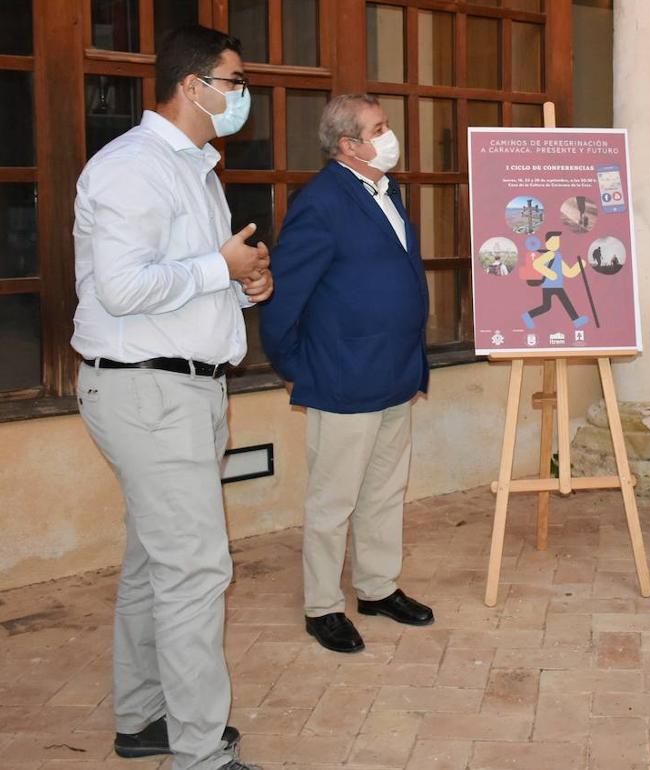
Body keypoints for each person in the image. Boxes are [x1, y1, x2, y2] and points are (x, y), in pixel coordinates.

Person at [72, 24, 269, 770]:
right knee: (194, 571)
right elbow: (123, 290)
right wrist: (219, 268)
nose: (244, 96)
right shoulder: (132, 167)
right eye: (235, 82)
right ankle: (200, 753)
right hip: (148, 389)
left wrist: (244, 284)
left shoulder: (197, 168)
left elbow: (187, 280)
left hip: (181, 387)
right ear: (194, 86)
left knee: (155, 563)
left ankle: (143, 718)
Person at [261, 94, 435, 654]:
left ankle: (377, 588)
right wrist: (292, 366)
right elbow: (285, 295)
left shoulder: (388, 188)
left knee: (385, 489)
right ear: (348, 145)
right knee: (333, 500)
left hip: (395, 371)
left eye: (385, 126)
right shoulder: (321, 202)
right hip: (342, 375)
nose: (389, 136)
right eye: (378, 129)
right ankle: (322, 607)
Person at [521, 231, 588, 328]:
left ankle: (528, 316)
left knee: (550, 305)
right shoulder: (550, 254)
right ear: (547, 243)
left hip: (557, 285)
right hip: (549, 285)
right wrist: (550, 274)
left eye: (557, 241)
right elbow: (537, 264)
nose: (556, 243)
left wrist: (579, 266)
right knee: (556, 304)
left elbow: (568, 272)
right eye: (553, 241)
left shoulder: (558, 255)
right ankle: (576, 320)